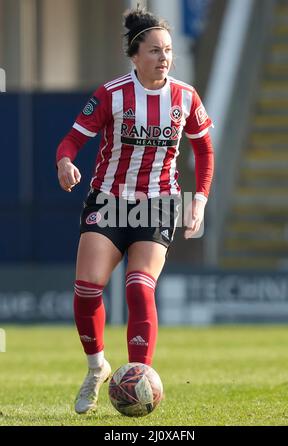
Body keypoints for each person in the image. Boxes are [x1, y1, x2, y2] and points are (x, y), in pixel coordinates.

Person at [56, 6, 214, 415]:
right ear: (135, 55)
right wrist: (64, 163)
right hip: (109, 201)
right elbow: (72, 140)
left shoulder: (185, 96)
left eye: (169, 51)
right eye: (156, 51)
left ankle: (139, 379)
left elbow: (204, 148)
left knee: (138, 285)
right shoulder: (112, 94)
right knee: (87, 287)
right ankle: (97, 368)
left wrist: (198, 200)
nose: (164, 58)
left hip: (159, 204)